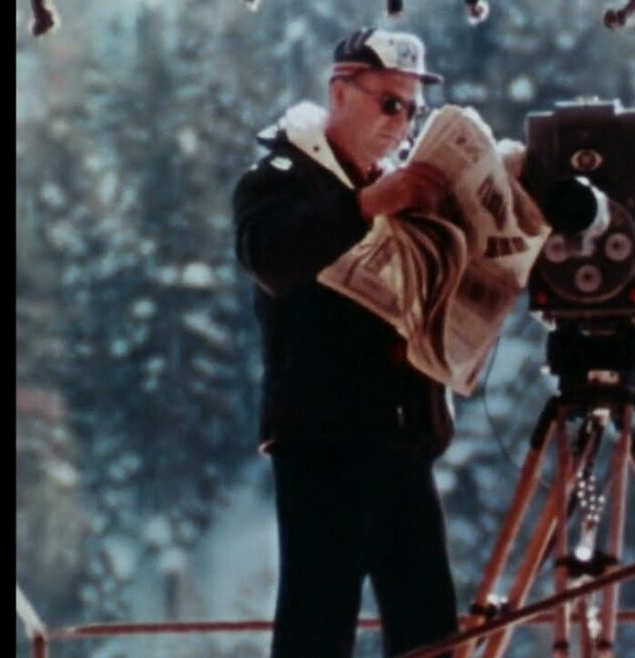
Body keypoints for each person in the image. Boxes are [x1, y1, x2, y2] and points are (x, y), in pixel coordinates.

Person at [232, 27, 461, 658]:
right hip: (322, 444)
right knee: (317, 624)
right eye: (390, 103)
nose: (401, 123)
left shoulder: (399, 185)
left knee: (430, 628)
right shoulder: (278, 175)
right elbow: (271, 256)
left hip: (401, 436)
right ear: (340, 92)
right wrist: (364, 206)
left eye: (413, 110)